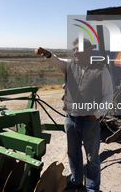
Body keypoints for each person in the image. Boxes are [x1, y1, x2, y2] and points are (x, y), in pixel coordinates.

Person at [35, 38, 113, 192]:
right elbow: (57, 62)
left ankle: (92, 187)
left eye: (79, 49)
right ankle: (76, 181)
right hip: (70, 119)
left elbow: (108, 95)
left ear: (89, 50)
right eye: (74, 49)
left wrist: (96, 115)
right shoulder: (70, 66)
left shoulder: (101, 69)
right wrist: (48, 54)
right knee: (73, 153)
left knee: (92, 158)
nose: (76, 52)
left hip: (89, 121)